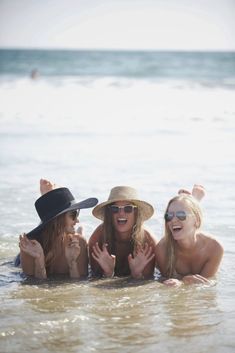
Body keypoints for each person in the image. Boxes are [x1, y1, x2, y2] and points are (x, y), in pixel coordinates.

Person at [18, 182, 98, 279]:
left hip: (52, 229)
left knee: (77, 234)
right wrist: (39, 260)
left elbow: (79, 285)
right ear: (58, 219)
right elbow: (36, 289)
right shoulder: (30, 247)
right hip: (18, 262)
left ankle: (48, 197)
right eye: (73, 215)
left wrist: (72, 263)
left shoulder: (79, 243)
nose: (77, 220)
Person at [88, 186, 157, 279]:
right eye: (115, 209)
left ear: (136, 213)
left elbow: (149, 283)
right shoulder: (98, 237)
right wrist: (108, 274)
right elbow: (93, 279)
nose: (121, 213)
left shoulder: (148, 241)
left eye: (128, 209)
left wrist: (136, 275)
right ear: (109, 213)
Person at [155, 193, 224, 286]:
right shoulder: (162, 249)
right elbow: (166, 283)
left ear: (197, 220)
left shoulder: (214, 248)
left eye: (181, 215)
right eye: (169, 216)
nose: (173, 220)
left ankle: (195, 196)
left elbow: (205, 285)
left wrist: (182, 283)